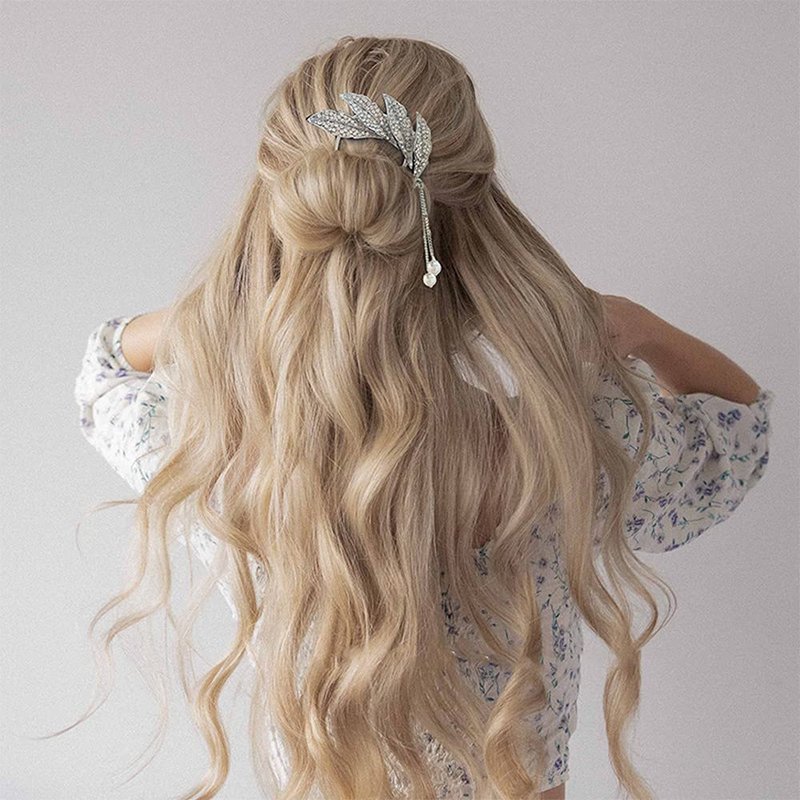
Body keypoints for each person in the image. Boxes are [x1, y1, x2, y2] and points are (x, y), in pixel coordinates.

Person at [70, 35, 774, 800]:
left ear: (284, 214)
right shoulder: (560, 447)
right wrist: (637, 325)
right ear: (473, 220)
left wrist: (218, 312)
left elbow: (106, 369)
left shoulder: (225, 458)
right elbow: (737, 431)